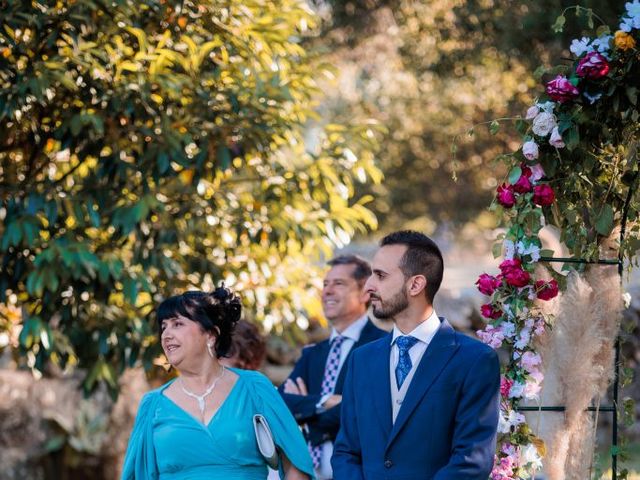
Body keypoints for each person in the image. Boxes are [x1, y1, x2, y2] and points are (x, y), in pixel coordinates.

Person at [332, 231, 500, 479]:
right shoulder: (361, 360)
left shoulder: (475, 360)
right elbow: (346, 452)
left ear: (415, 284)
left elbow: (471, 461)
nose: (369, 286)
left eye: (380, 275)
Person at [121, 287, 314, 480]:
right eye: (164, 327)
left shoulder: (254, 388)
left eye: (177, 324)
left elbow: (296, 463)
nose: (166, 335)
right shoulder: (152, 404)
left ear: (211, 335)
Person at [279, 255, 386, 480]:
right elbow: (281, 404)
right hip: (305, 471)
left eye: (338, 284)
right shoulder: (312, 354)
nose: (327, 291)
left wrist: (306, 412)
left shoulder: (383, 347)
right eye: (325, 284)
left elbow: (365, 412)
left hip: (356, 471)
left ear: (365, 292)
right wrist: (324, 401)